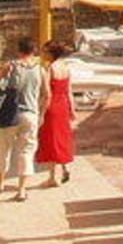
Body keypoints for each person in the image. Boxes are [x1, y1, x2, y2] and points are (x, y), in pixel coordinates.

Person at [0, 37, 46, 201]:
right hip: (30, 114)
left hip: (9, 114)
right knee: (26, 151)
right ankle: (22, 190)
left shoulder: (11, 66)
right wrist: (41, 114)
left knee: (3, 148)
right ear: (34, 51)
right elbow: (46, 94)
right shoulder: (41, 70)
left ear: (18, 50)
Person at [35, 41, 77, 187]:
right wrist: (72, 110)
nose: (42, 54)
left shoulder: (49, 68)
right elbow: (69, 92)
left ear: (51, 53)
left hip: (52, 107)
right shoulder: (66, 67)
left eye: (45, 51)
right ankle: (64, 169)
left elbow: (47, 94)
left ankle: (53, 177)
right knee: (61, 138)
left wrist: (41, 113)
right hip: (63, 106)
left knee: (51, 141)